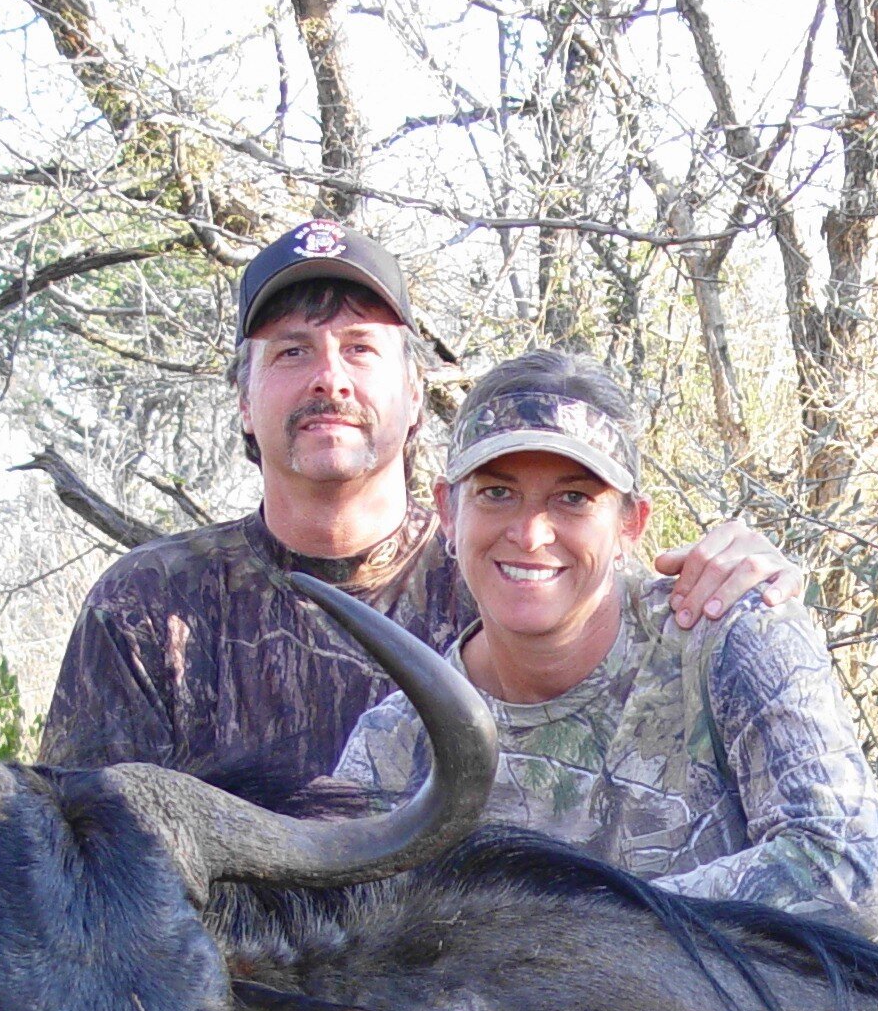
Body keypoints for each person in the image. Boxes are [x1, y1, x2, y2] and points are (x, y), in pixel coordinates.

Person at [41, 220, 804, 781]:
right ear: (243, 398)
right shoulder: (147, 608)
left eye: (361, 349)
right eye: (291, 352)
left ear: (413, 395)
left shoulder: (509, 570)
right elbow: (76, 858)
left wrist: (745, 585)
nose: (329, 380)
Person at [333, 350, 878, 936]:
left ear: (631, 523)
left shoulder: (730, 635)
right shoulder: (394, 744)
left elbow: (848, 874)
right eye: (497, 493)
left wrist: (567, 930)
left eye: (573, 498)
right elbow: (343, 944)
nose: (530, 533)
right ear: (448, 512)